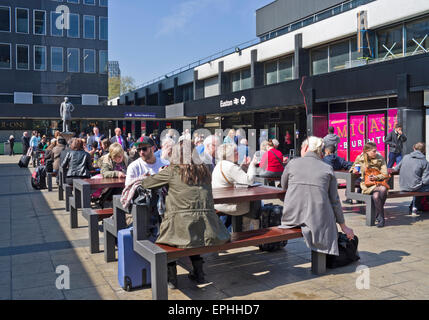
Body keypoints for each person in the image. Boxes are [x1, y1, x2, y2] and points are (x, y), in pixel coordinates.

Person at [140, 142, 230, 288]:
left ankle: (171, 279)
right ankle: (199, 273)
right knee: (193, 232)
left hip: (180, 227)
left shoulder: (172, 171)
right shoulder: (205, 170)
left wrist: (159, 173)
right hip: (209, 228)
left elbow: (146, 183)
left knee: (168, 239)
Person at [280, 136, 355, 256]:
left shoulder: (292, 163)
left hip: (291, 217)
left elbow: (283, 188)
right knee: (326, 215)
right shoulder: (327, 168)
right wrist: (343, 226)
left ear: (305, 147)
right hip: (318, 221)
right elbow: (335, 201)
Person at [212, 143, 259, 231]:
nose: (238, 153)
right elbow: (249, 181)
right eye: (235, 152)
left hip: (219, 203)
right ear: (229, 154)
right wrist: (253, 164)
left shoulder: (220, 164)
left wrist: (243, 166)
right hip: (229, 204)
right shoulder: (230, 166)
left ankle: (247, 228)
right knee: (256, 200)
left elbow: (236, 176)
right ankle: (252, 229)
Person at [350, 142, 389, 227]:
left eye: (376, 151)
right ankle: (379, 216)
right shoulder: (360, 158)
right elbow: (353, 168)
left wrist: (376, 177)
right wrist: (354, 171)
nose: (376, 153)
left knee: (376, 195)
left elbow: (385, 173)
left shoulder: (380, 158)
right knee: (383, 190)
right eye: (373, 151)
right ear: (367, 151)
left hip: (379, 182)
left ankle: (380, 217)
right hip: (366, 184)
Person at [393, 142, 429, 214]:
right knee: (421, 187)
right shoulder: (425, 162)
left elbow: (396, 169)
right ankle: (415, 206)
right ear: (424, 150)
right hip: (415, 187)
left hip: (403, 186)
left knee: (418, 186)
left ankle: (415, 206)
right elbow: (425, 181)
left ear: (414, 148)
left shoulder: (406, 157)